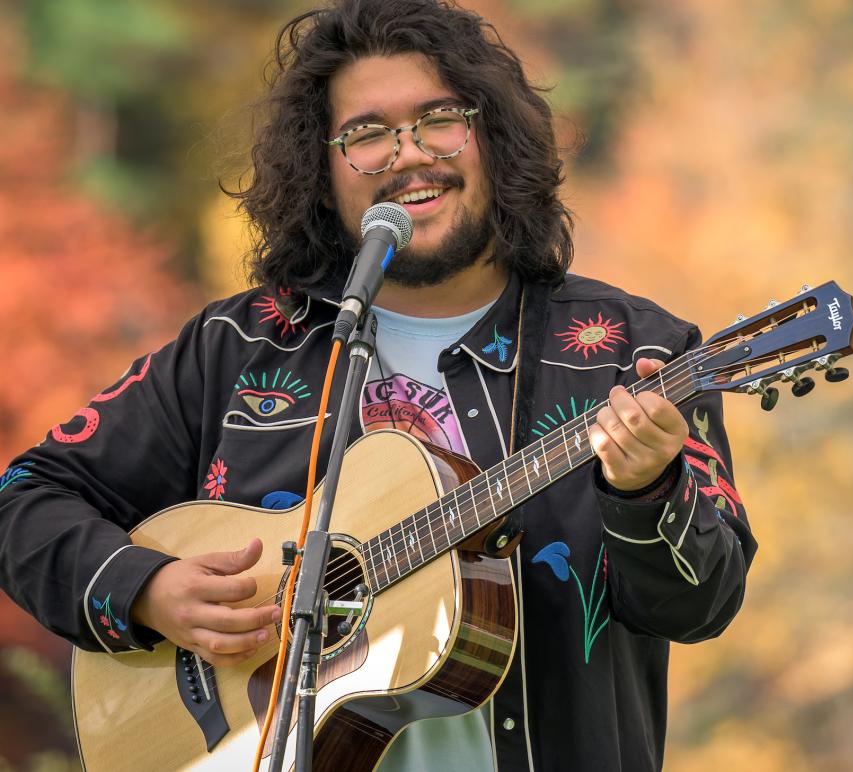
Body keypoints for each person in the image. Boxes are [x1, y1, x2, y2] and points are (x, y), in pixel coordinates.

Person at [0, 0, 756, 769]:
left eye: (441, 119)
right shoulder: (235, 349)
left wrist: (645, 492)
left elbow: (703, 602)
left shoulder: (632, 355)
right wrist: (147, 588)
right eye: (366, 134)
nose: (409, 155)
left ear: (490, 137)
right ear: (322, 171)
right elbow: (23, 499)